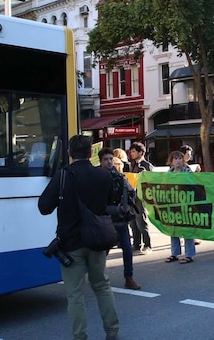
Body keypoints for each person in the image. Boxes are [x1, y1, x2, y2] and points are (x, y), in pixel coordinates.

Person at [38, 135, 120, 340]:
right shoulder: (103, 176)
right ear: (91, 153)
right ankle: (112, 332)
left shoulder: (64, 175)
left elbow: (44, 207)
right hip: (97, 239)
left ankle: (80, 336)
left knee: (75, 294)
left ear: (69, 153)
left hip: (71, 243)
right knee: (102, 286)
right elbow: (108, 205)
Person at [99, 148, 140, 291]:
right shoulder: (97, 177)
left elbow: (130, 191)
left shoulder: (119, 176)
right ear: (100, 161)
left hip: (120, 219)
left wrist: (129, 198)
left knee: (127, 250)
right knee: (103, 251)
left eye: (111, 159)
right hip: (104, 219)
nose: (109, 162)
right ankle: (98, 277)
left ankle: (129, 277)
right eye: (106, 159)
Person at [164, 151, 197, 264]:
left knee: (187, 229)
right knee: (173, 229)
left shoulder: (187, 171)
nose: (178, 161)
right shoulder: (170, 172)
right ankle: (175, 253)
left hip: (185, 204)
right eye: (176, 158)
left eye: (180, 158)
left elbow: (193, 185)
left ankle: (189, 254)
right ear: (171, 160)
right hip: (173, 204)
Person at [127, 142, 153, 254]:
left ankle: (147, 245)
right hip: (131, 197)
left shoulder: (146, 165)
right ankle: (136, 244)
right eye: (131, 151)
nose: (131, 154)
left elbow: (150, 181)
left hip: (140, 198)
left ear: (141, 152)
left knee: (141, 222)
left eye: (133, 151)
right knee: (132, 223)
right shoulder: (132, 165)